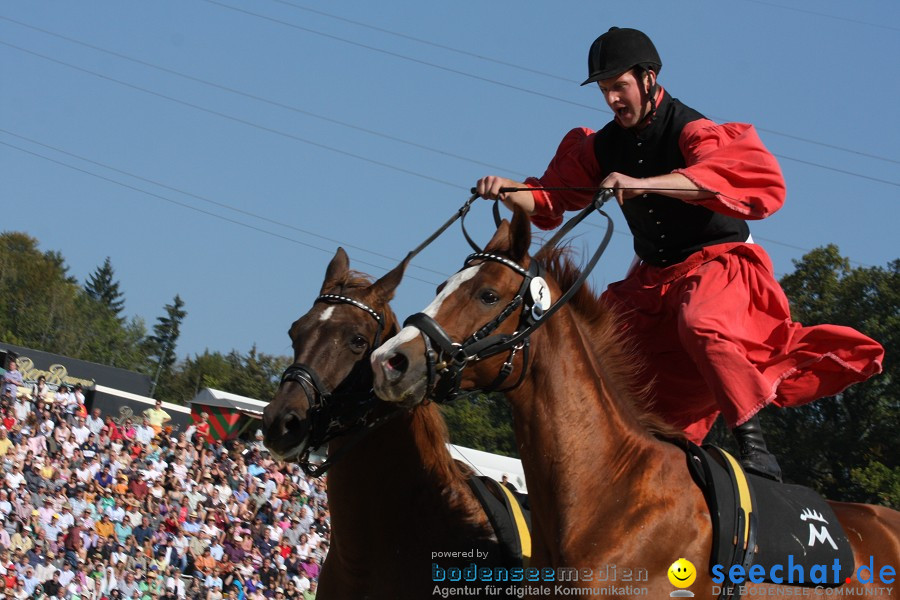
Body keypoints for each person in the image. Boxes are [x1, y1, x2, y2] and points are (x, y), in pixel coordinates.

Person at [475, 26, 884, 481]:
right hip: (654, 279)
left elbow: (718, 177)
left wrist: (643, 184)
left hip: (717, 264)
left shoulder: (693, 128)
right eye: (606, 90)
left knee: (701, 324)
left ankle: (756, 448)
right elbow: (551, 199)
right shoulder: (600, 145)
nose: (612, 100)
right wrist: (509, 191)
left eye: (619, 87)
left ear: (649, 79)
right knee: (592, 340)